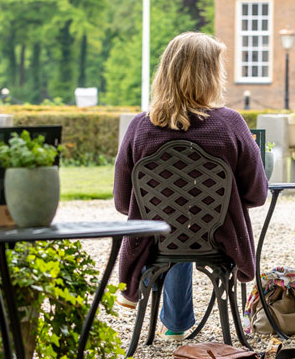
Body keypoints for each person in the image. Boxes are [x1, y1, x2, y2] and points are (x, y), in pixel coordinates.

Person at [114, 32, 268, 340]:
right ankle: (186, 322)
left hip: (156, 238)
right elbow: (257, 194)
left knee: (172, 223)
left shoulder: (140, 127)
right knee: (188, 222)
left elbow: (122, 201)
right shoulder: (230, 124)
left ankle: (174, 322)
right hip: (219, 235)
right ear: (210, 75)